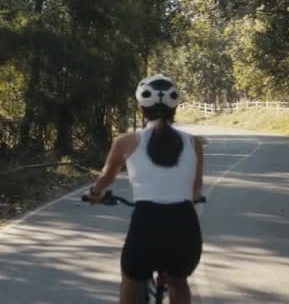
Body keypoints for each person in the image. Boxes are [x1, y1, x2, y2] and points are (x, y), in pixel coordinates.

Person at [87, 74, 204, 304]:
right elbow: (196, 190)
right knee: (179, 283)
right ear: (175, 108)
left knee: (131, 282)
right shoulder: (194, 143)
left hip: (146, 224)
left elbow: (106, 178)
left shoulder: (126, 141)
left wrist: (95, 194)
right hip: (184, 224)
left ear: (142, 109)